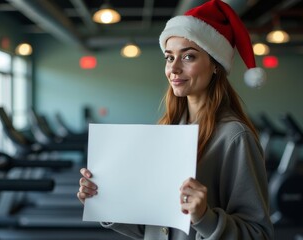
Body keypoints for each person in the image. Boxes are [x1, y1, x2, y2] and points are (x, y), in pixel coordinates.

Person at [77, 0, 274, 239]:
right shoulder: (168, 129)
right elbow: (156, 227)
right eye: (169, 58)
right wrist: (105, 201)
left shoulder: (235, 137)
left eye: (188, 57)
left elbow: (259, 234)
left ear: (215, 65)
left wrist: (205, 217)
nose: (174, 69)